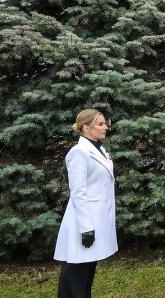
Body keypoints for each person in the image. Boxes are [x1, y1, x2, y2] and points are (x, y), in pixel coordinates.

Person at [54, 109, 118, 298]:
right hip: (83, 221)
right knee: (75, 272)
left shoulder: (99, 149)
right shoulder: (79, 152)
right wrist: (86, 228)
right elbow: (78, 193)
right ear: (85, 127)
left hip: (96, 218)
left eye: (105, 123)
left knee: (87, 271)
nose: (105, 127)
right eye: (100, 124)